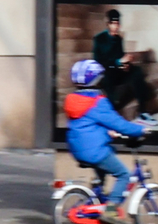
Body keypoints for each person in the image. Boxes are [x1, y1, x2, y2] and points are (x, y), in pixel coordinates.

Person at [61, 57, 147, 211]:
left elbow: (86, 125)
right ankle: (111, 211)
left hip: (78, 149)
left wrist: (107, 133)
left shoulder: (73, 100)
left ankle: (97, 193)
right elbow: (119, 124)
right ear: (96, 81)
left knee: (106, 161)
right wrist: (141, 129)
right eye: (100, 79)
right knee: (123, 175)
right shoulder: (97, 102)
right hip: (94, 151)